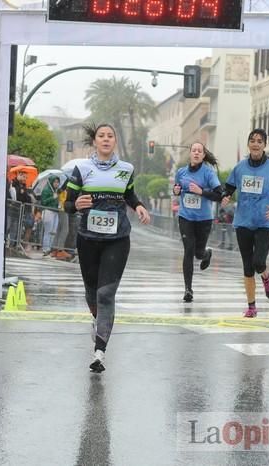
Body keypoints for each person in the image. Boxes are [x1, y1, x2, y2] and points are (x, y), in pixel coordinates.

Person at [64, 123, 150, 373]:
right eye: (101, 136)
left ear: (115, 142)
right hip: (88, 239)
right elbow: (67, 205)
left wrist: (139, 206)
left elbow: (130, 196)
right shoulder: (81, 169)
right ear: (95, 142)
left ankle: (99, 351)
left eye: (110, 136)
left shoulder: (126, 170)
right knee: (92, 294)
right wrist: (76, 204)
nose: (106, 139)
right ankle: (97, 320)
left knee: (106, 295)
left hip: (118, 239)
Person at [222, 128, 269, 318]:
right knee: (247, 266)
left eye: (259, 141)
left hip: (264, 222)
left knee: (259, 262)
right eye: (252, 140)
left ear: (264, 145)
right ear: (248, 144)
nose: (255, 144)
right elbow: (228, 187)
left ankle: (266, 277)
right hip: (243, 221)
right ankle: (251, 307)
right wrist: (225, 196)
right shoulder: (240, 167)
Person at [172, 142, 223, 302]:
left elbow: (218, 194)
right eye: (193, 150)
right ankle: (188, 289)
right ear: (190, 153)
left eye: (199, 151)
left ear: (203, 155)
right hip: (185, 216)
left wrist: (201, 192)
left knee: (197, 253)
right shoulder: (181, 172)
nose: (196, 153)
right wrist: (176, 190)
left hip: (204, 219)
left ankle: (206, 253)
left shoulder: (208, 173)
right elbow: (176, 188)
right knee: (188, 250)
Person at [40, 175, 60, 256]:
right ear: (51, 182)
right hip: (48, 212)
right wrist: (52, 197)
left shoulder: (55, 190)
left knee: (54, 232)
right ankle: (46, 249)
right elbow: (43, 202)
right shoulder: (46, 190)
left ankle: (50, 248)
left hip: (55, 212)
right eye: (55, 182)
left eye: (58, 182)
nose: (57, 184)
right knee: (48, 231)